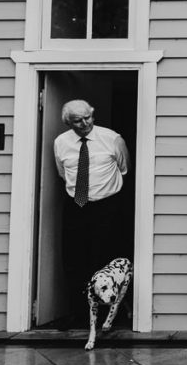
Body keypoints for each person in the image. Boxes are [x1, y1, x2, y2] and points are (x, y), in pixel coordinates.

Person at [53, 99, 130, 322]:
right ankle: (78, 313)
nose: (85, 123)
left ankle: (109, 314)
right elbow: (62, 173)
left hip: (108, 205)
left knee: (104, 257)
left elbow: (125, 170)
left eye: (88, 117)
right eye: (78, 120)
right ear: (68, 122)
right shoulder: (61, 143)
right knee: (74, 259)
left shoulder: (112, 138)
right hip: (76, 205)